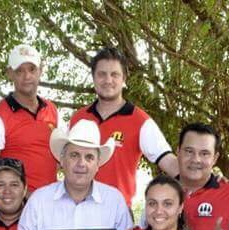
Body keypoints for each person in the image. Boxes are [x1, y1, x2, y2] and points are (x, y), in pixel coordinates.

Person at [70, 47, 177, 206]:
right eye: (102, 74)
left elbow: (169, 162)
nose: (108, 80)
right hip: (77, 211)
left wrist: (206, 178)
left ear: (124, 79)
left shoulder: (140, 120)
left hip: (118, 213)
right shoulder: (78, 119)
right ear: (93, 78)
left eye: (114, 74)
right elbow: (60, 161)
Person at [0, 44, 61, 190]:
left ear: (40, 71)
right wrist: (21, 196)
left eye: (32, 69)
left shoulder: (52, 110)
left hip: (51, 203)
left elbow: (62, 159)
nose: (27, 76)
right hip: (17, 208)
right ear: (10, 73)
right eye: (20, 71)